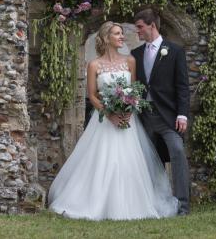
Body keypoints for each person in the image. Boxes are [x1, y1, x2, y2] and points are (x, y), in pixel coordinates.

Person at [48, 21, 178, 220]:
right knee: (102, 161)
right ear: (106, 38)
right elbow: (92, 95)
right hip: (104, 121)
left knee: (129, 161)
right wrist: (109, 114)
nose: (122, 37)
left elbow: (134, 90)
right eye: (117, 34)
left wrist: (128, 110)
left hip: (128, 121)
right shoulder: (94, 65)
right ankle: (94, 202)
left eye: (121, 34)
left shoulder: (130, 61)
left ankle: (134, 204)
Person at [131, 9, 191, 216]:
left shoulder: (174, 51)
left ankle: (183, 206)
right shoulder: (135, 54)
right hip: (144, 116)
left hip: (169, 117)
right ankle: (152, 203)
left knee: (178, 153)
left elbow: (183, 86)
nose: (137, 31)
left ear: (152, 26)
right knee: (148, 160)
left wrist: (182, 115)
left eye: (139, 27)